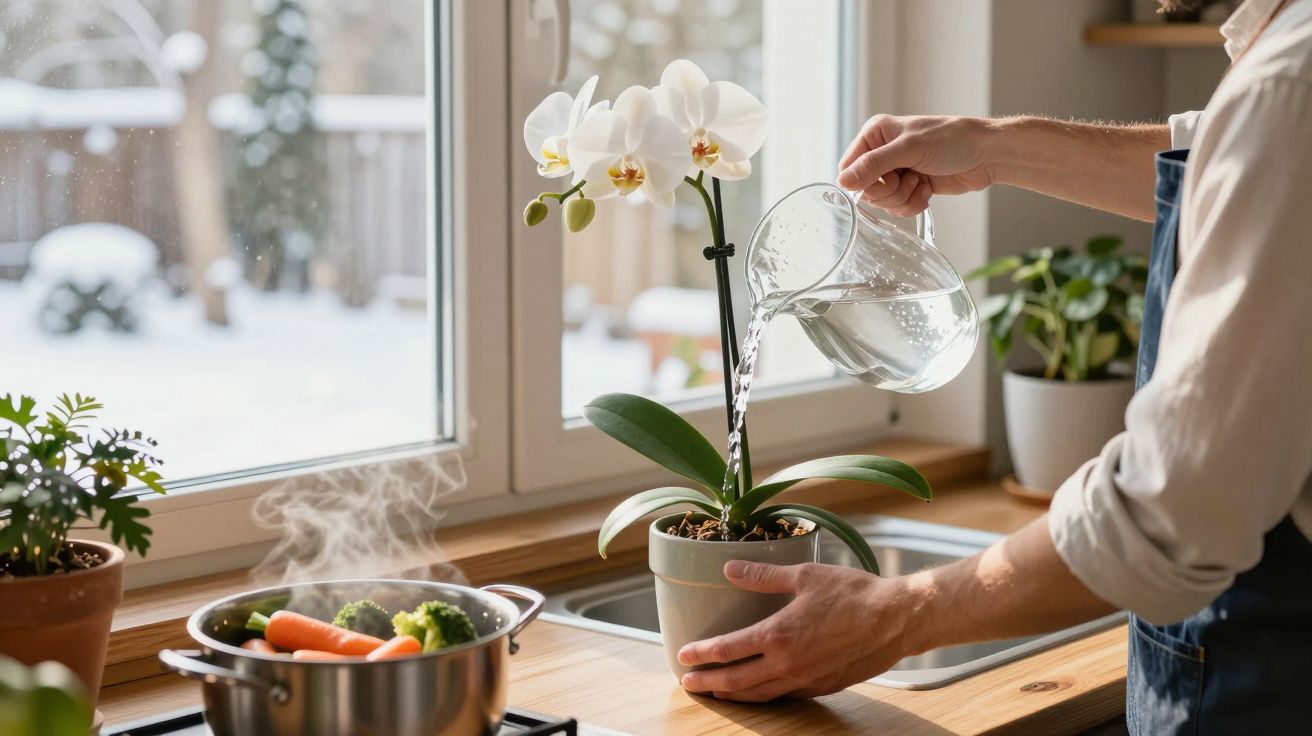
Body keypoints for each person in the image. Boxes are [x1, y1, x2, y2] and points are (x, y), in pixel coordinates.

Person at [676, 0, 1312, 731]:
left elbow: (1170, 514)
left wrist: (890, 615)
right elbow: (1227, 157)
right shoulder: (1282, 72)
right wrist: (993, 147)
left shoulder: (1290, 80)